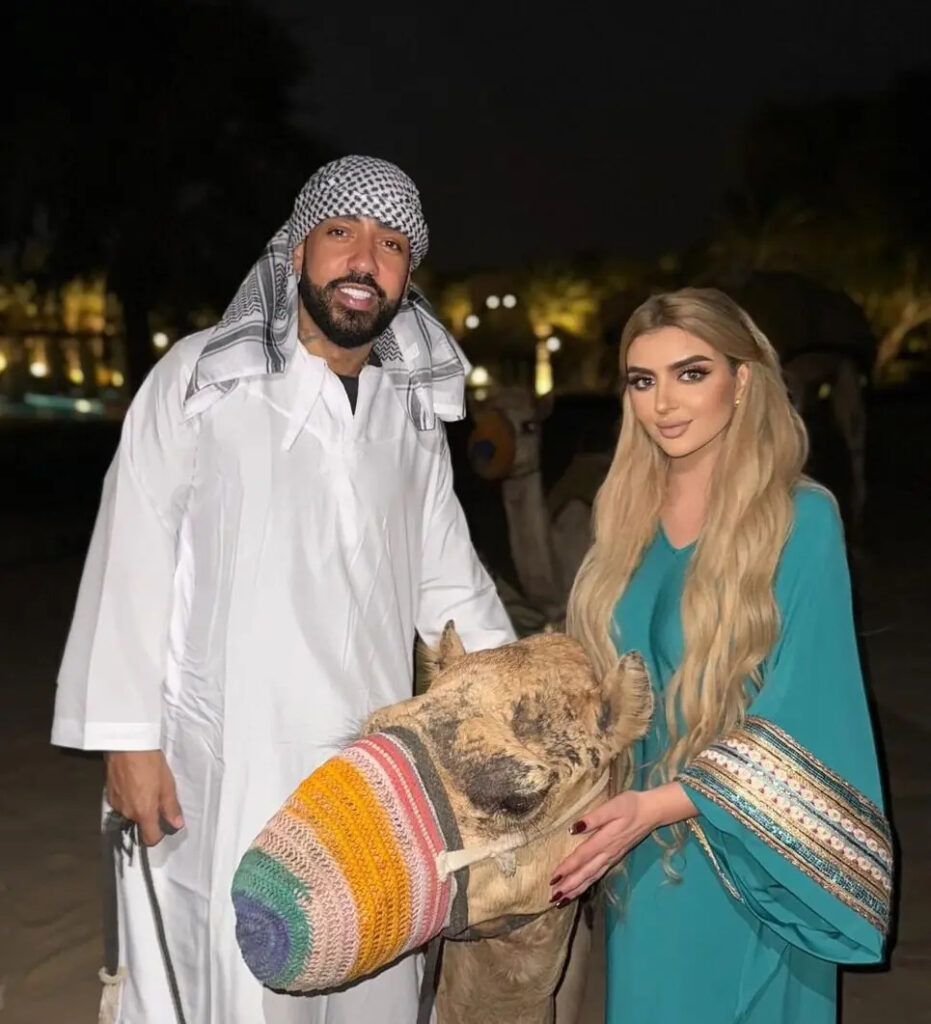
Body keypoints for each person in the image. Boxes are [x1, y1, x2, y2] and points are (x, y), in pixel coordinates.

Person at [51, 155, 515, 1024]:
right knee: (221, 973)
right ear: (297, 251)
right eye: (341, 234)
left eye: (390, 245)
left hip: (369, 772)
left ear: (407, 274)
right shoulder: (202, 379)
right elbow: (130, 556)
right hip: (222, 760)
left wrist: (522, 716)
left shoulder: (409, 414)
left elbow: (452, 588)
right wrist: (126, 741)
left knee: (368, 968)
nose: (363, 260)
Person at [550, 288, 892, 1023]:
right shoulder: (623, 524)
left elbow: (808, 705)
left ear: (742, 381)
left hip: (754, 859)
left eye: (691, 373)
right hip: (640, 861)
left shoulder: (798, 518)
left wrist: (658, 807)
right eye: (642, 380)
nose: (664, 403)